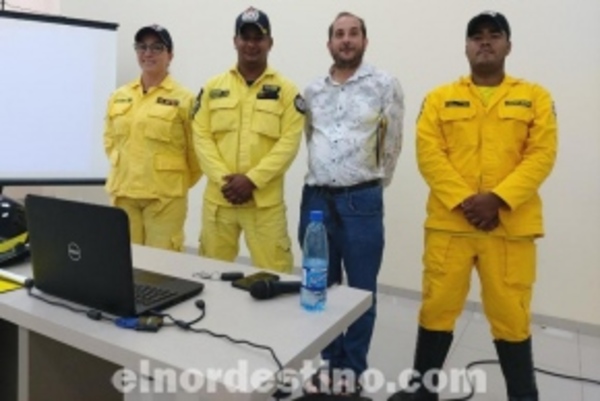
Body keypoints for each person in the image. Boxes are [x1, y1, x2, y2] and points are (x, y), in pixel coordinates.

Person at [388, 11, 557, 401]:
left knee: (511, 316)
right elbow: (428, 154)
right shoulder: (440, 98)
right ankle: (422, 391)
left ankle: (523, 394)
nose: (485, 42)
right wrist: (469, 201)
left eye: (494, 35)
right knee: (436, 309)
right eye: (476, 36)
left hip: (510, 227)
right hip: (451, 226)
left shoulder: (536, 98)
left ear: (508, 46)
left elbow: (542, 155)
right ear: (465, 47)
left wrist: (497, 200)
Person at [299, 11, 404, 396]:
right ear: (329, 43)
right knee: (320, 287)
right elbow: (310, 137)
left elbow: (392, 144)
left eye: (353, 33)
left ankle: (352, 371)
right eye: (339, 34)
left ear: (364, 40)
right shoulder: (312, 91)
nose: (346, 40)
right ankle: (330, 364)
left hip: (362, 200)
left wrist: (372, 185)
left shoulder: (385, 84)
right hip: (316, 201)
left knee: (360, 293)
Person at [192, 7, 305, 273]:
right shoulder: (212, 88)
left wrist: (251, 180)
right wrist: (226, 181)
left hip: (265, 205)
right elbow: (202, 138)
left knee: (275, 278)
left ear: (270, 43)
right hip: (220, 201)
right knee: (210, 278)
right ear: (235, 41)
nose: (251, 44)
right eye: (245, 37)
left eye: (259, 38)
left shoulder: (287, 92)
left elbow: (289, 143)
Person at [104, 25, 201, 251]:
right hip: (124, 194)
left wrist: (173, 181)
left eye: (157, 47)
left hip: (164, 199)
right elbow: (110, 141)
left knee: (161, 267)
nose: (148, 53)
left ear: (170, 55)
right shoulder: (120, 96)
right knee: (124, 261)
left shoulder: (185, 99)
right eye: (142, 47)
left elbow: (197, 154)